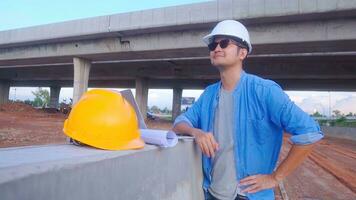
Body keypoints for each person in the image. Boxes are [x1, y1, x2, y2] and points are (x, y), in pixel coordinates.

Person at [172, 20, 324, 200]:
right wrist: (195, 132)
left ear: (242, 53)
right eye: (213, 45)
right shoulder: (209, 95)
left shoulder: (264, 91)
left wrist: (276, 178)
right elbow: (179, 124)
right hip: (212, 193)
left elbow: (310, 132)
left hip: (249, 195)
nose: (216, 48)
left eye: (224, 43)